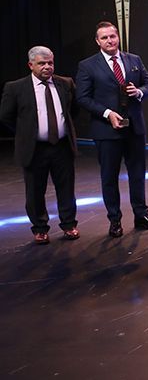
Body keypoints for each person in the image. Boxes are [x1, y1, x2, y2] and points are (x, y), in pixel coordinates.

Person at [76, 21, 148, 237]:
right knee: (109, 177)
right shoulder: (87, 65)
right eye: (104, 38)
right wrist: (107, 113)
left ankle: (141, 215)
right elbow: (83, 98)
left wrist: (140, 92)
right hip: (107, 130)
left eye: (112, 36)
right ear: (97, 41)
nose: (109, 40)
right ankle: (114, 220)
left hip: (134, 127)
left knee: (137, 174)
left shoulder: (133, 59)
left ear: (117, 37)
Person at [0, 46, 79, 244]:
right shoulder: (15, 87)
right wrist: (26, 133)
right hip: (34, 149)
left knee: (66, 188)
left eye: (50, 63)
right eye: (41, 63)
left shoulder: (66, 83)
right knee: (35, 191)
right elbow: (5, 116)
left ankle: (69, 225)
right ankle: (40, 228)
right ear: (30, 65)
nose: (47, 67)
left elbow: (73, 110)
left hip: (61, 146)